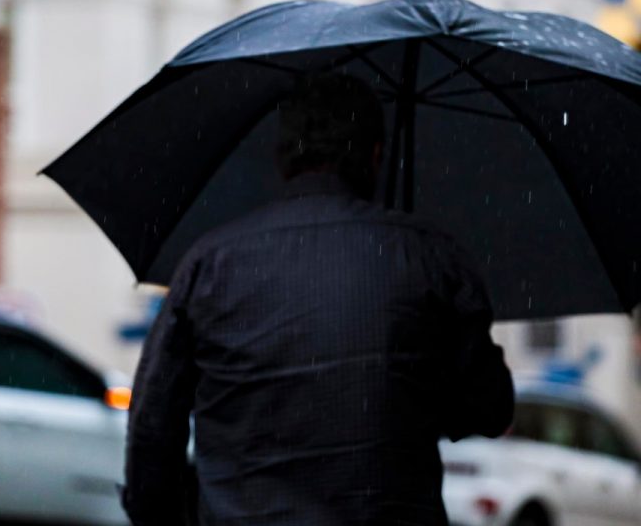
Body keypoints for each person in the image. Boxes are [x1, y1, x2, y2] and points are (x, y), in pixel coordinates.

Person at [121, 72, 515, 526]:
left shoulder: (211, 264)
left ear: (282, 160)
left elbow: (153, 427)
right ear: (375, 156)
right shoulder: (431, 260)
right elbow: (489, 409)